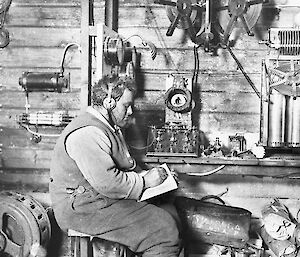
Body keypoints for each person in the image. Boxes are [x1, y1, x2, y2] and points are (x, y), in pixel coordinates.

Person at [49, 74, 182, 257]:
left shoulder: (108, 126)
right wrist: (146, 182)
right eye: (126, 106)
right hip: (81, 207)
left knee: (170, 211)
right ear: (109, 103)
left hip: (98, 198)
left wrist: (157, 177)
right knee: (164, 231)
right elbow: (109, 183)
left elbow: (124, 167)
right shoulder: (88, 133)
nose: (130, 112)